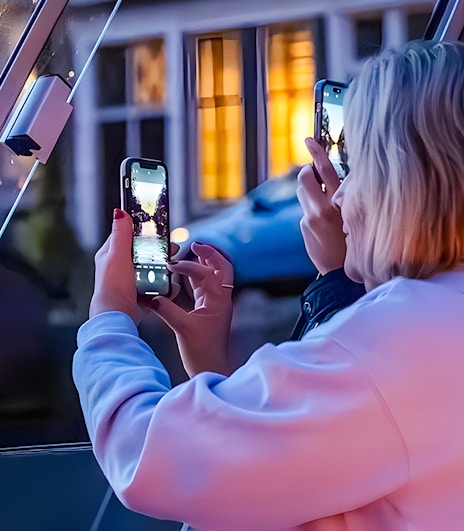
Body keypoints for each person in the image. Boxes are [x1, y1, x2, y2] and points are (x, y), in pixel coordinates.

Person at [73, 40, 464, 530]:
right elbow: (294, 473)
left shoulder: (400, 340)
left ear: (397, 180)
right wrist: (212, 371)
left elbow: (148, 455)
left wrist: (107, 320)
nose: (338, 198)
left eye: (354, 168)